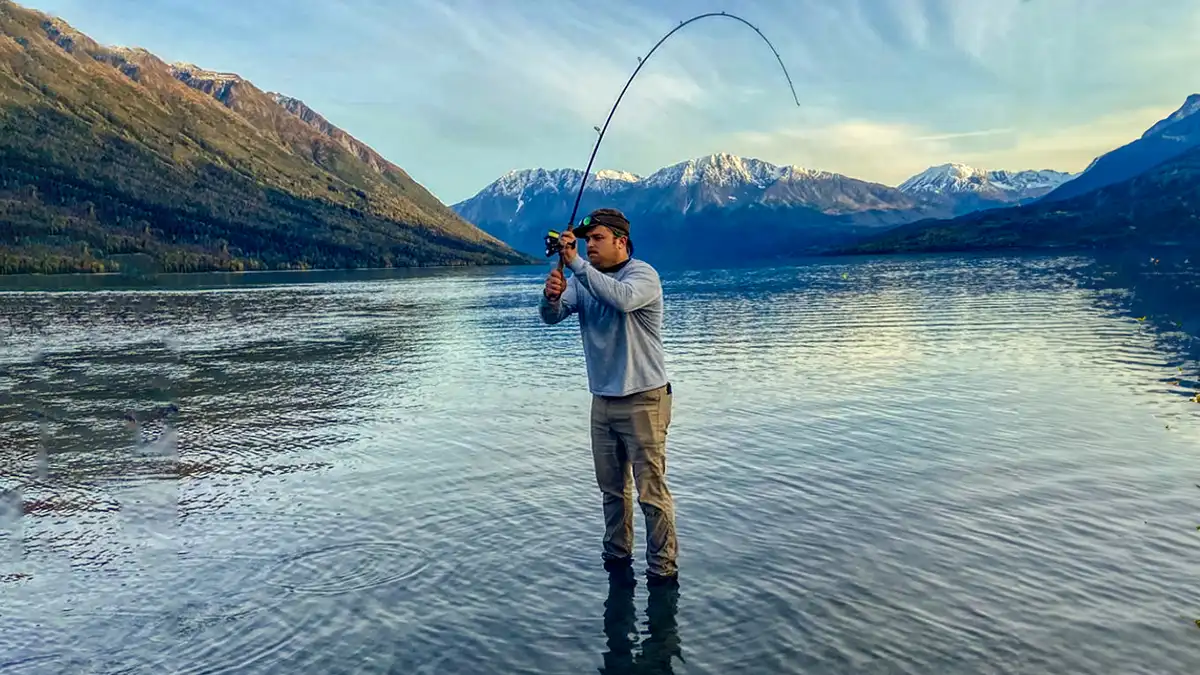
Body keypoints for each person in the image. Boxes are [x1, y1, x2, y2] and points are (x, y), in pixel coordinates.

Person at [538, 207, 678, 587]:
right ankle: (617, 559)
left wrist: (578, 265)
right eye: (587, 241)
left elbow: (622, 299)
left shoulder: (643, 275)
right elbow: (551, 317)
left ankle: (662, 570)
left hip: (644, 399)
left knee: (651, 493)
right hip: (603, 401)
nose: (590, 246)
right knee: (612, 491)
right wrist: (551, 298)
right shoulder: (584, 281)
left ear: (621, 241)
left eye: (597, 239)